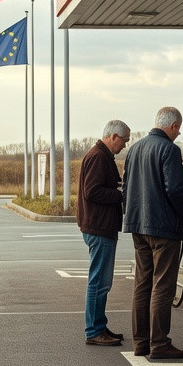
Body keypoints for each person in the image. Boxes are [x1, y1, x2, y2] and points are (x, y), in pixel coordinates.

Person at [121, 106, 183, 361]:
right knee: (162, 286)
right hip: (163, 228)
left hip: (138, 225)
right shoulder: (169, 150)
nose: (178, 134)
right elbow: (174, 189)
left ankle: (141, 343)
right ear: (173, 126)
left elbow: (127, 186)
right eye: (178, 129)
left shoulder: (135, 148)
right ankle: (159, 344)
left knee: (142, 283)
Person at [77, 120, 130, 346]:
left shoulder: (100, 155)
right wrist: (120, 195)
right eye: (124, 141)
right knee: (99, 281)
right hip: (100, 227)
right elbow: (92, 191)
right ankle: (94, 330)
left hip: (98, 225)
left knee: (101, 281)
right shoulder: (99, 156)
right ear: (113, 136)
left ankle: (99, 324)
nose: (124, 146)